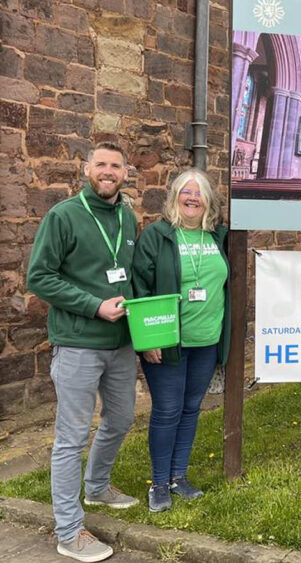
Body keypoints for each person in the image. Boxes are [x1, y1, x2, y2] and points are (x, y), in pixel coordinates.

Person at [27, 142, 139, 562]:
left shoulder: (128, 217)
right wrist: (94, 305)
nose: (108, 172)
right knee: (71, 438)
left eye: (116, 166)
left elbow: (127, 277)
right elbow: (39, 276)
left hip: (121, 344)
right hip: (77, 344)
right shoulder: (64, 216)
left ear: (125, 173)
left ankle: (96, 487)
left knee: (123, 418)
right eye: (101, 164)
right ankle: (69, 531)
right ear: (86, 168)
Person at [132, 168, 230, 512]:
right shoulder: (158, 235)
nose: (192, 198)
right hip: (167, 342)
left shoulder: (218, 236)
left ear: (209, 201)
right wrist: (147, 339)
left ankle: (179, 476)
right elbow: (139, 287)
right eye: (185, 192)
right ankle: (158, 484)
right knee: (167, 410)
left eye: (199, 192)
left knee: (191, 409)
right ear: (174, 198)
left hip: (206, 341)